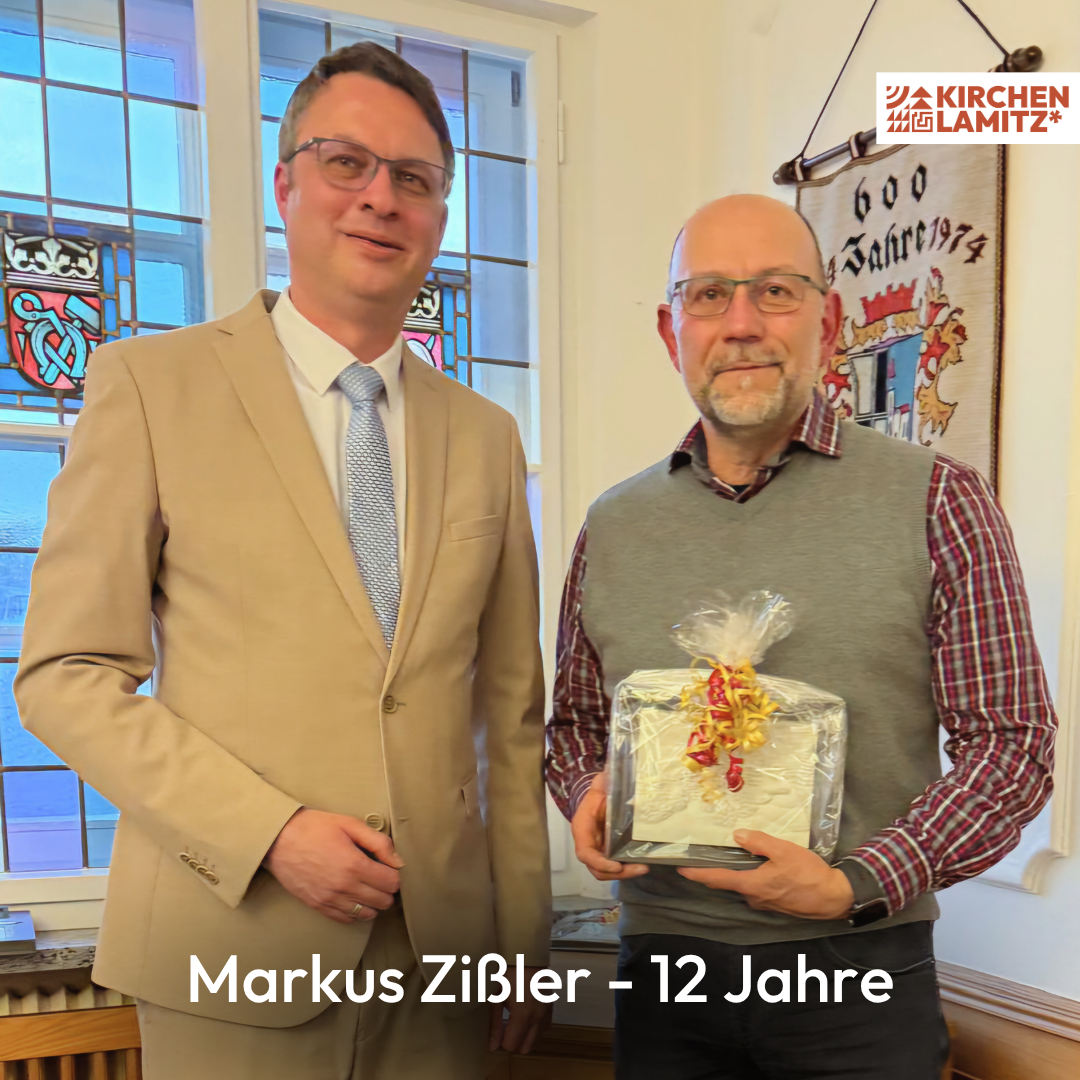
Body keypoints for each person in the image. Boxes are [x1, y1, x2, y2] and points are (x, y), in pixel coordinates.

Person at [16, 43, 550, 1080]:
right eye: (347, 162)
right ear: (285, 186)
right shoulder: (149, 387)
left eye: (414, 179)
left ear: (440, 216)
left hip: (443, 976)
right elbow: (65, 677)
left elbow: (509, 716)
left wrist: (520, 946)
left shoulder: (488, 436)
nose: (380, 198)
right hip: (230, 952)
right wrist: (267, 832)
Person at [545, 194, 1056, 1079]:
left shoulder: (940, 499)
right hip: (664, 975)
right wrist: (591, 790)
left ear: (828, 320)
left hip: (860, 973)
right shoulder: (612, 526)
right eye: (709, 294)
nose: (741, 324)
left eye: (775, 291)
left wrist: (860, 881)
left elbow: (1012, 747)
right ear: (672, 331)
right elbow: (573, 728)